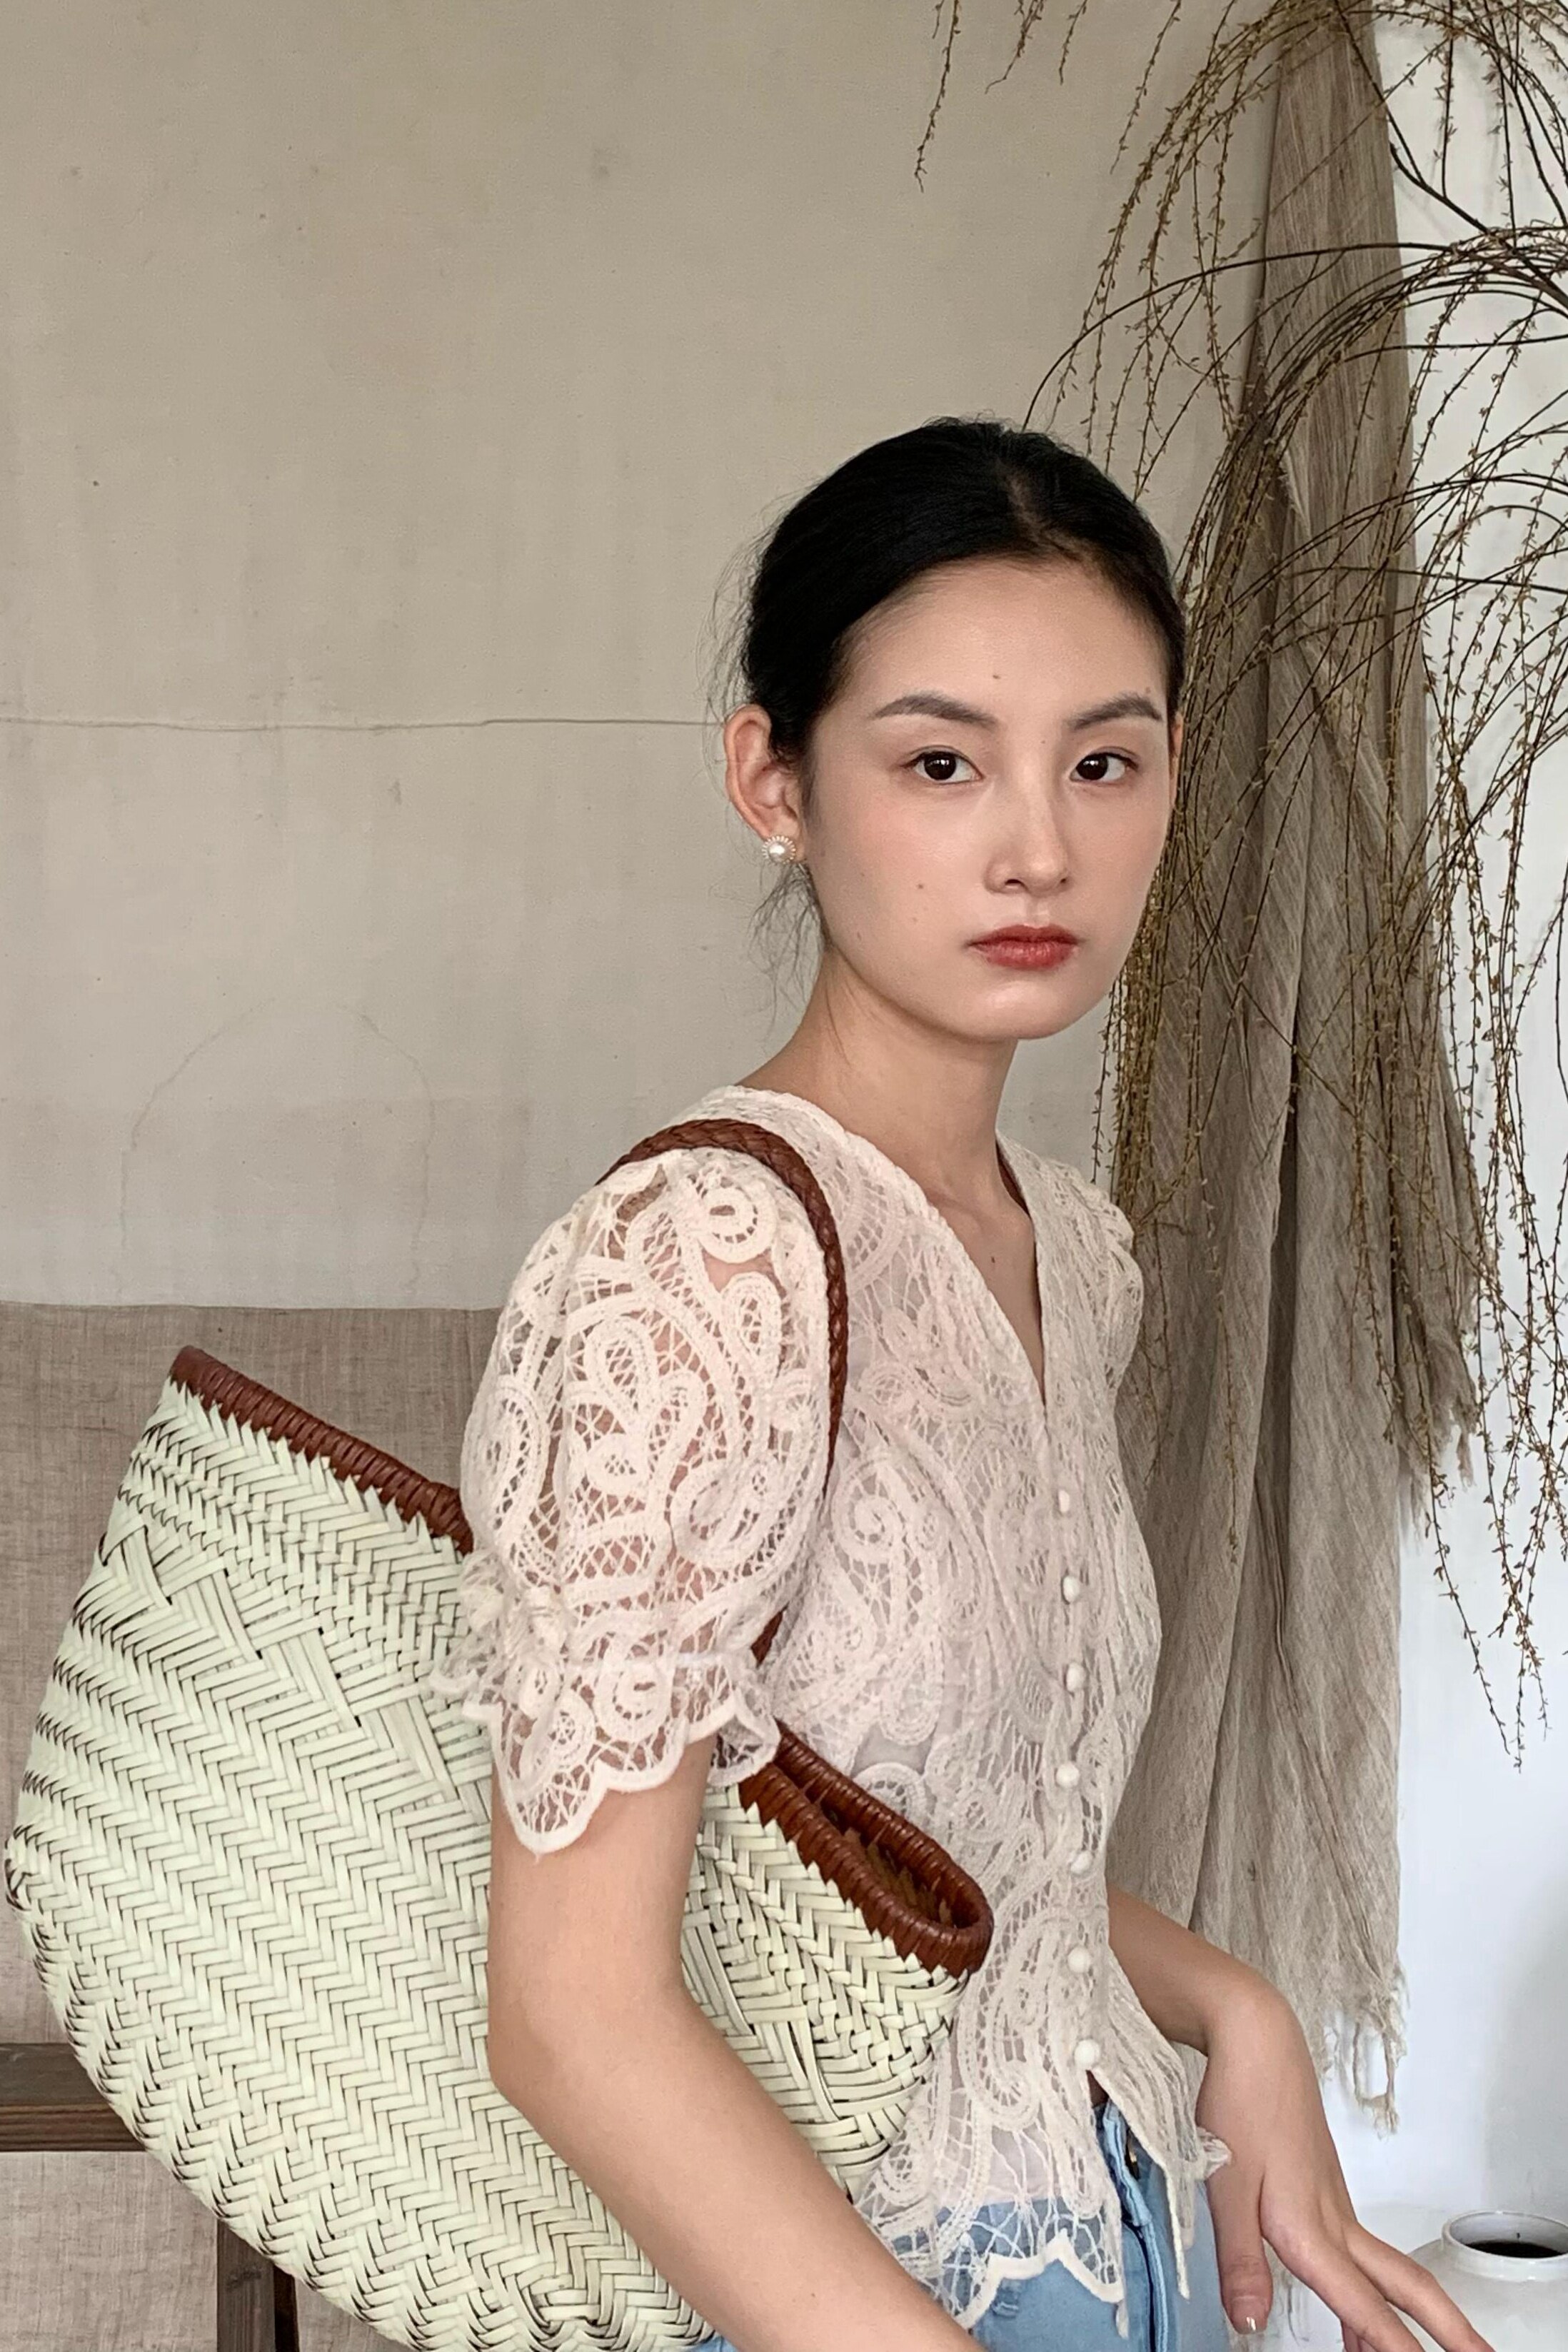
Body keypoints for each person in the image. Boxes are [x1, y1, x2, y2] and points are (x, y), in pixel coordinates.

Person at [427, 419, 1489, 2352]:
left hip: (1134, 2243)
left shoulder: (1068, 1249)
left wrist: (1231, 2007)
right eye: (940, 763)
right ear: (774, 781)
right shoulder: (707, 1255)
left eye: (1104, 761)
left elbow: (960, 1841)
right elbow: (572, 2013)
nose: (1039, 849)